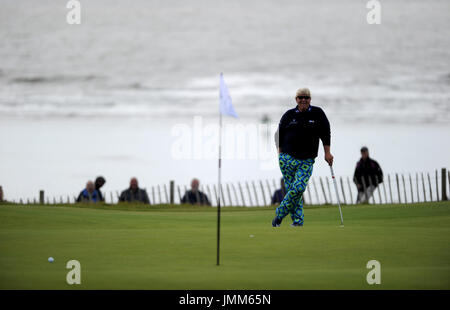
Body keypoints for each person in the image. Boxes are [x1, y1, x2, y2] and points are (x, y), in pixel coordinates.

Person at [272, 88, 333, 227]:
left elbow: (325, 133)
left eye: (306, 97)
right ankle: (298, 222)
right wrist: (280, 155)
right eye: (301, 97)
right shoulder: (289, 115)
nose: (303, 100)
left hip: (306, 160)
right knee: (293, 191)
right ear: (296, 99)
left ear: (310, 99)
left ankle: (280, 214)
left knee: (298, 188)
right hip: (287, 159)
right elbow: (278, 135)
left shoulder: (318, 113)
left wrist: (327, 152)